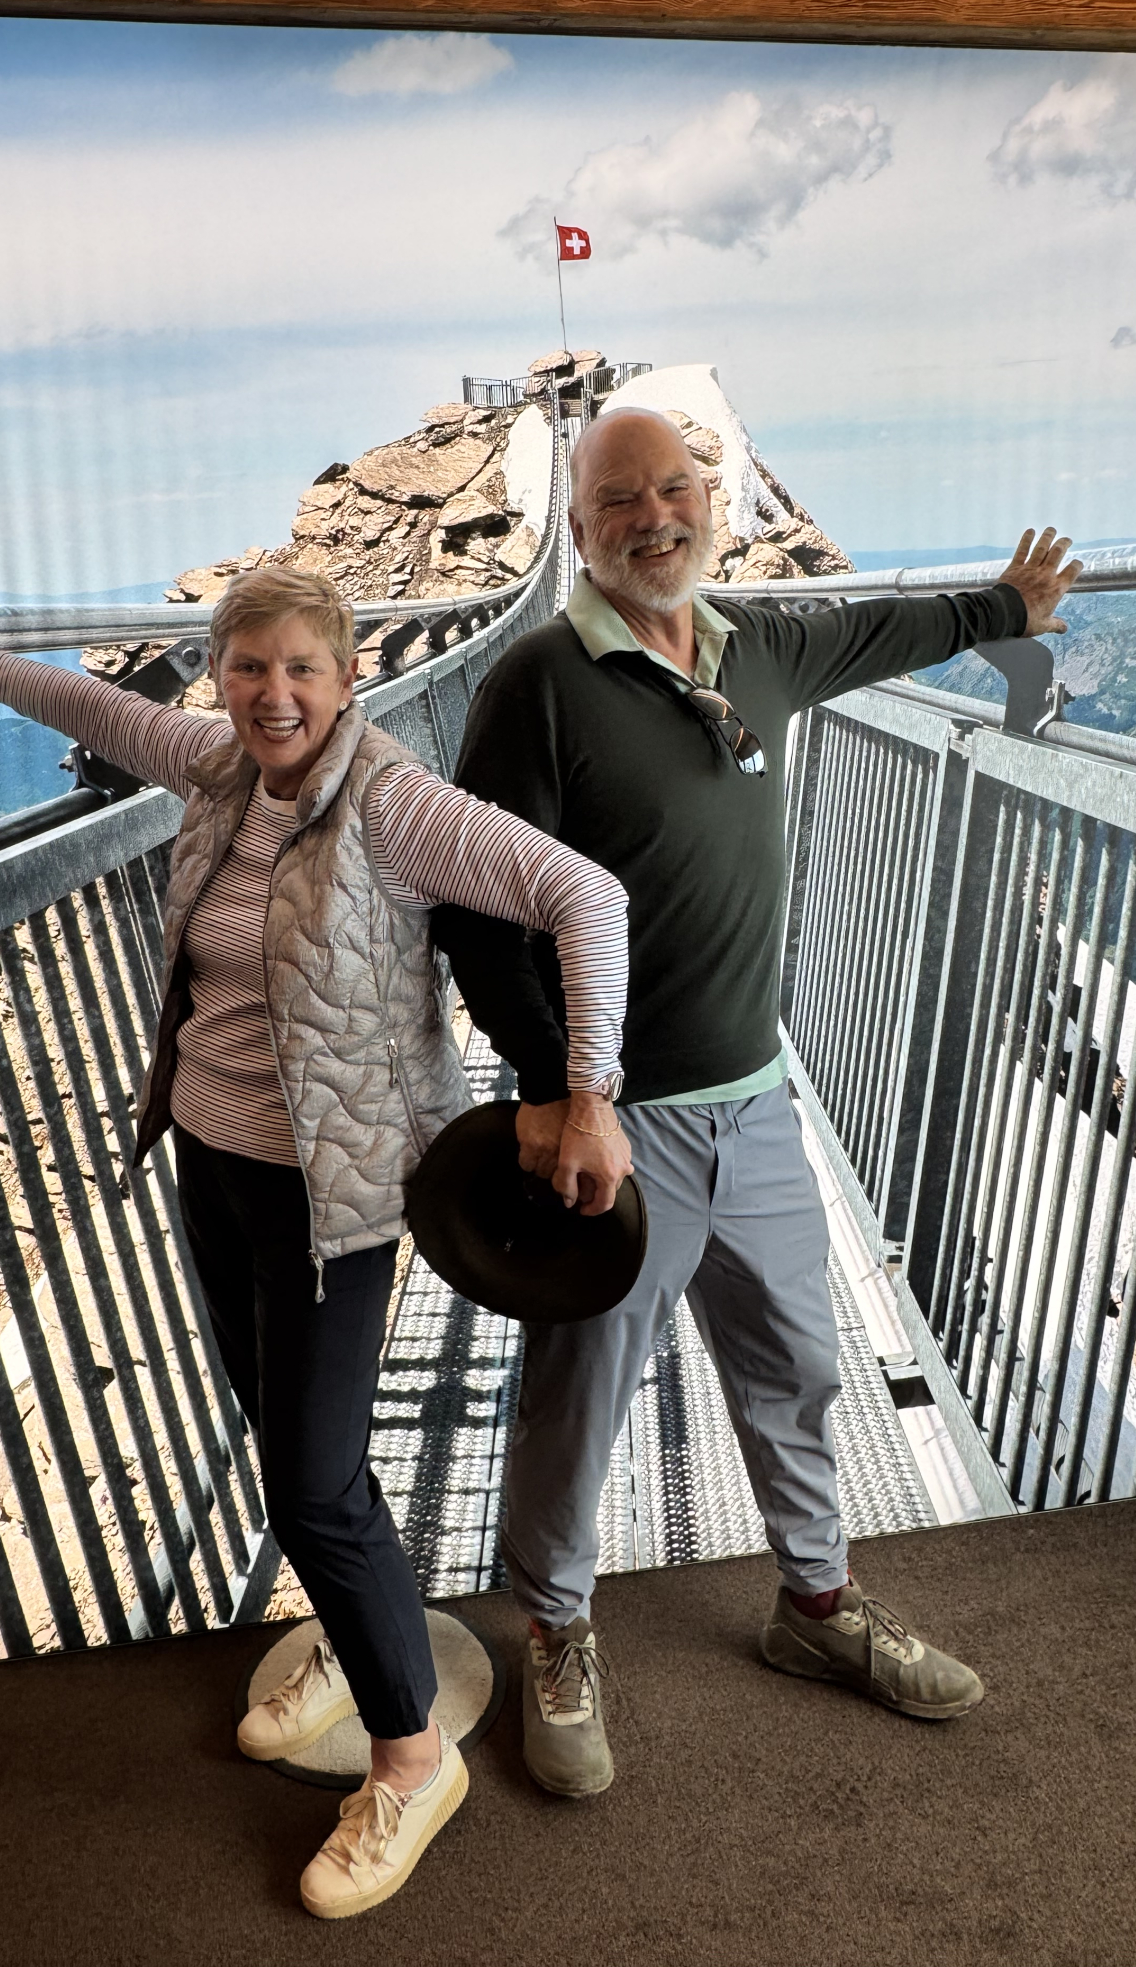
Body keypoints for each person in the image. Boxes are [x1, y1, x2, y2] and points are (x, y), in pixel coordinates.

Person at [0, 566, 633, 1917]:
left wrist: (587, 1090)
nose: (272, 695)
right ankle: (350, 1628)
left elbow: (584, 894)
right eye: (247, 668)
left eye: (300, 670)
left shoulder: (396, 804)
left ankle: (412, 1756)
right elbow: (80, 698)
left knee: (311, 1480)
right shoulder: (214, 768)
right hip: (215, 1167)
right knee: (286, 1441)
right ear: (220, 677)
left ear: (346, 679)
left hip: (337, 1198)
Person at [434, 407, 1079, 1797]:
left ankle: (818, 1608)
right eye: (619, 499)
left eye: (677, 488)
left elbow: (883, 631)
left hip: (762, 1100)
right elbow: (476, 915)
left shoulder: (758, 649)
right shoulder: (539, 682)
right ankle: (553, 1630)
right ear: (583, 526)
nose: (654, 517)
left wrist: (1002, 606)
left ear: (711, 498)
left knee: (797, 1367)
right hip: (624, 1123)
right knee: (581, 1394)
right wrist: (558, 1090)